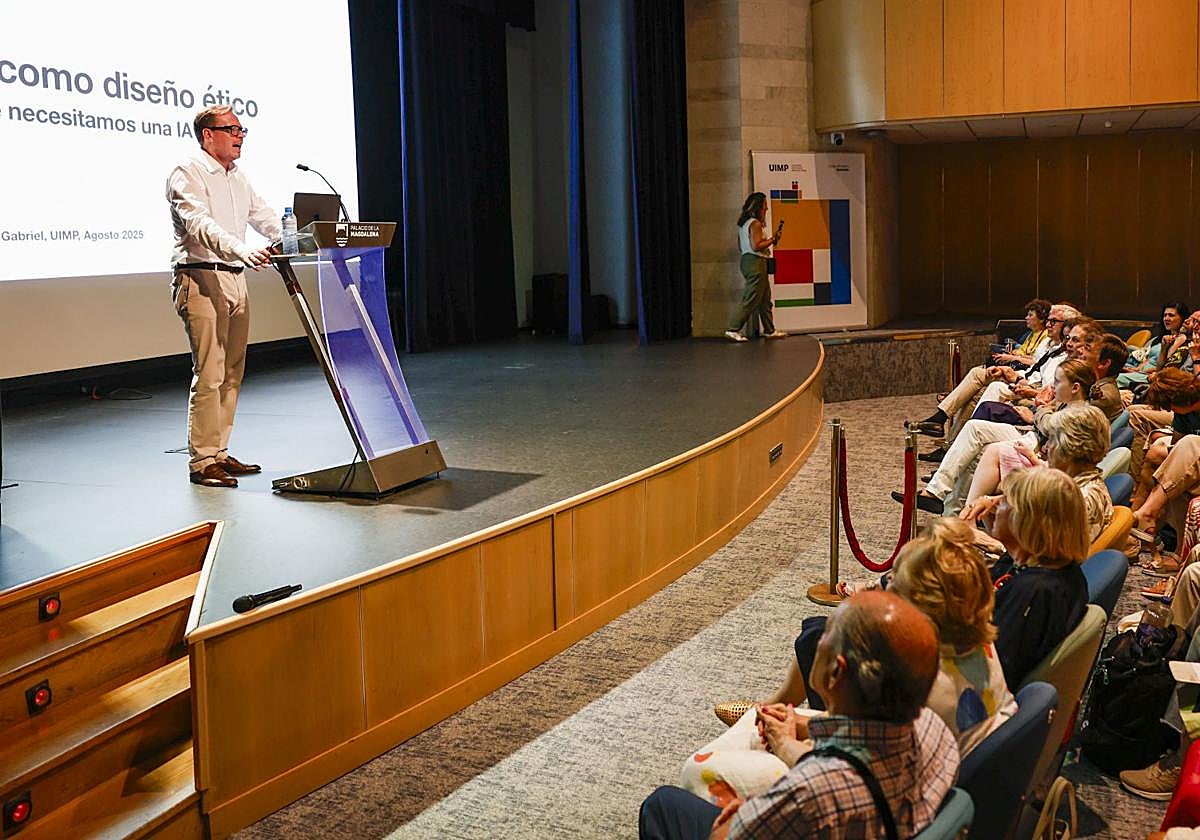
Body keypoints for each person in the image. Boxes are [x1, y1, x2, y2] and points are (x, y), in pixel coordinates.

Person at [640, 592, 956, 840]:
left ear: (836, 672)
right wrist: (788, 741)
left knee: (663, 805)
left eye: (827, 634)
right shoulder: (933, 728)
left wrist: (737, 817)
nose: (817, 637)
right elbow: (855, 754)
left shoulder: (809, 796)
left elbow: (728, 835)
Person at [167, 105, 280, 488]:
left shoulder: (238, 177)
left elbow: (263, 216)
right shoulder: (188, 172)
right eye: (231, 129)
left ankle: (219, 452)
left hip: (235, 278)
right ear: (208, 135)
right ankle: (201, 462)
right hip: (201, 277)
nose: (240, 135)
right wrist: (240, 249)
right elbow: (199, 224)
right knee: (210, 372)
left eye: (241, 129)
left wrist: (294, 235)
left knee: (233, 371)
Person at [902, 358, 1096, 517]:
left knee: (981, 452)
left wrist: (1041, 407)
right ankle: (938, 494)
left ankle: (954, 515)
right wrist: (1042, 410)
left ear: (1075, 387)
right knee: (974, 428)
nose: (1053, 386)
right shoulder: (1066, 401)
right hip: (1033, 437)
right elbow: (1044, 421)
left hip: (1037, 449)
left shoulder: (1079, 411)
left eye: (1058, 381)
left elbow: (1047, 425)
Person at [964, 468, 1090, 687]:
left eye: (1003, 502)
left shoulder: (1033, 592)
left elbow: (993, 671)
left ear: (1024, 519)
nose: (995, 505)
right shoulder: (1050, 567)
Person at [959, 404, 1113, 543]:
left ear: (1070, 448)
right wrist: (992, 502)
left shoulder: (1081, 500)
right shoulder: (1071, 484)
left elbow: (1039, 559)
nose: (1046, 447)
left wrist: (984, 541)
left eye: (1051, 440)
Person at [726, 192, 787, 343]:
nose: (766, 209)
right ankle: (733, 328)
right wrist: (772, 239)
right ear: (758, 207)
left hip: (748, 261)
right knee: (752, 297)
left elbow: (742, 246)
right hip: (756, 262)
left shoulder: (743, 224)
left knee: (765, 298)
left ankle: (769, 330)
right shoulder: (755, 224)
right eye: (765, 206)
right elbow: (757, 245)